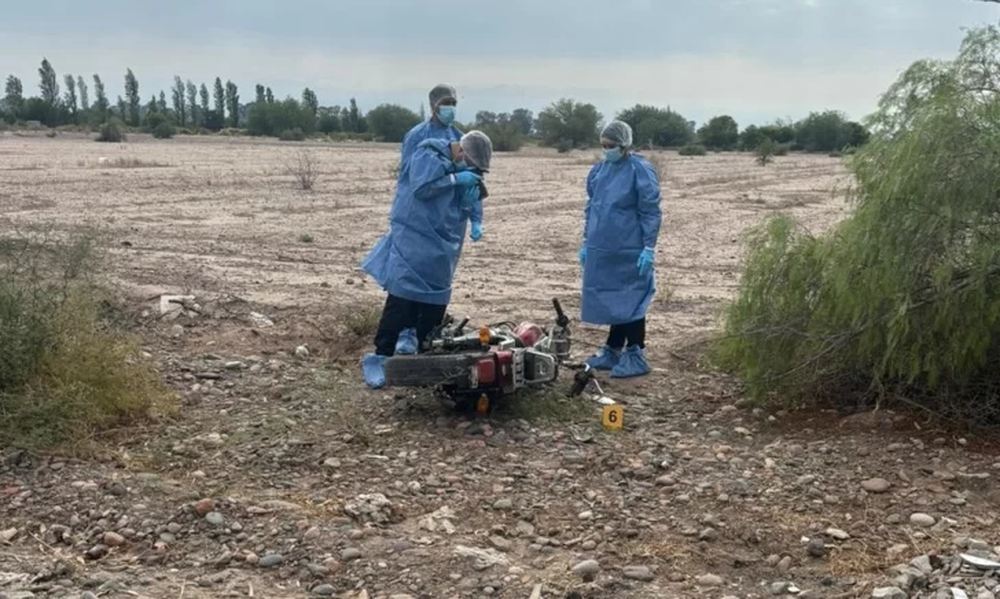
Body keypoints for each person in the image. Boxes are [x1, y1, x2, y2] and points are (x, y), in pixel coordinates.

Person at [360, 130, 494, 389]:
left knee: (435, 299)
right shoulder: (428, 154)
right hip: (415, 235)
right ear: (461, 152)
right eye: (471, 165)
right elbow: (421, 189)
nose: (472, 171)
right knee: (403, 295)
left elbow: (473, 197)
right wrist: (454, 179)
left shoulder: (467, 171)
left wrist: (474, 215)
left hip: (445, 244)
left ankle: (426, 354)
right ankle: (381, 356)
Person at [392, 84, 475, 356]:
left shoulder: (460, 138)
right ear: (433, 105)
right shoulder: (417, 136)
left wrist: (473, 212)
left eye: (453, 102)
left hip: (448, 223)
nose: (450, 108)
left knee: (438, 280)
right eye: (445, 103)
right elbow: (412, 179)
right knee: (408, 279)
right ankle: (398, 338)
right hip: (416, 219)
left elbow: (472, 181)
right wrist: (448, 178)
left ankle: (427, 338)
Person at [579, 120, 662, 379]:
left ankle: (636, 353)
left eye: (611, 145)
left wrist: (648, 247)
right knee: (614, 298)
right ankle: (613, 349)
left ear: (624, 144)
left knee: (631, 297)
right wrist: (586, 242)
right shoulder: (600, 170)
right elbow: (592, 206)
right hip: (602, 247)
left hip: (629, 247)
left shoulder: (640, 170)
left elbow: (650, 210)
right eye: (603, 145)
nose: (607, 150)